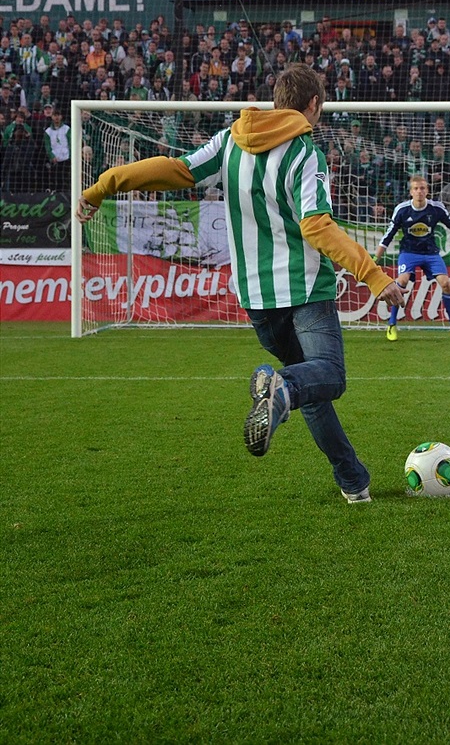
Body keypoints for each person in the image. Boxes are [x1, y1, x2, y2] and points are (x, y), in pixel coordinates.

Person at [76, 65, 404, 504]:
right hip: (305, 292)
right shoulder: (305, 153)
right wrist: (375, 275)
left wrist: (103, 186)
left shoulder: (231, 140)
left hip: (255, 300)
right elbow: (317, 227)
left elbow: (173, 169)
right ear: (313, 106)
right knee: (327, 377)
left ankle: (353, 481)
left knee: (308, 389)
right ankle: (281, 389)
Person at [373, 175, 450, 342]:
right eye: (416, 188)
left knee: (446, 283)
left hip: (430, 253)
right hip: (408, 253)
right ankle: (392, 324)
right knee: (401, 281)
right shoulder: (402, 210)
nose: (419, 191)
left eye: (422, 188)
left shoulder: (436, 208)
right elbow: (388, 236)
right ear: (411, 192)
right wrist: (375, 258)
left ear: (427, 190)